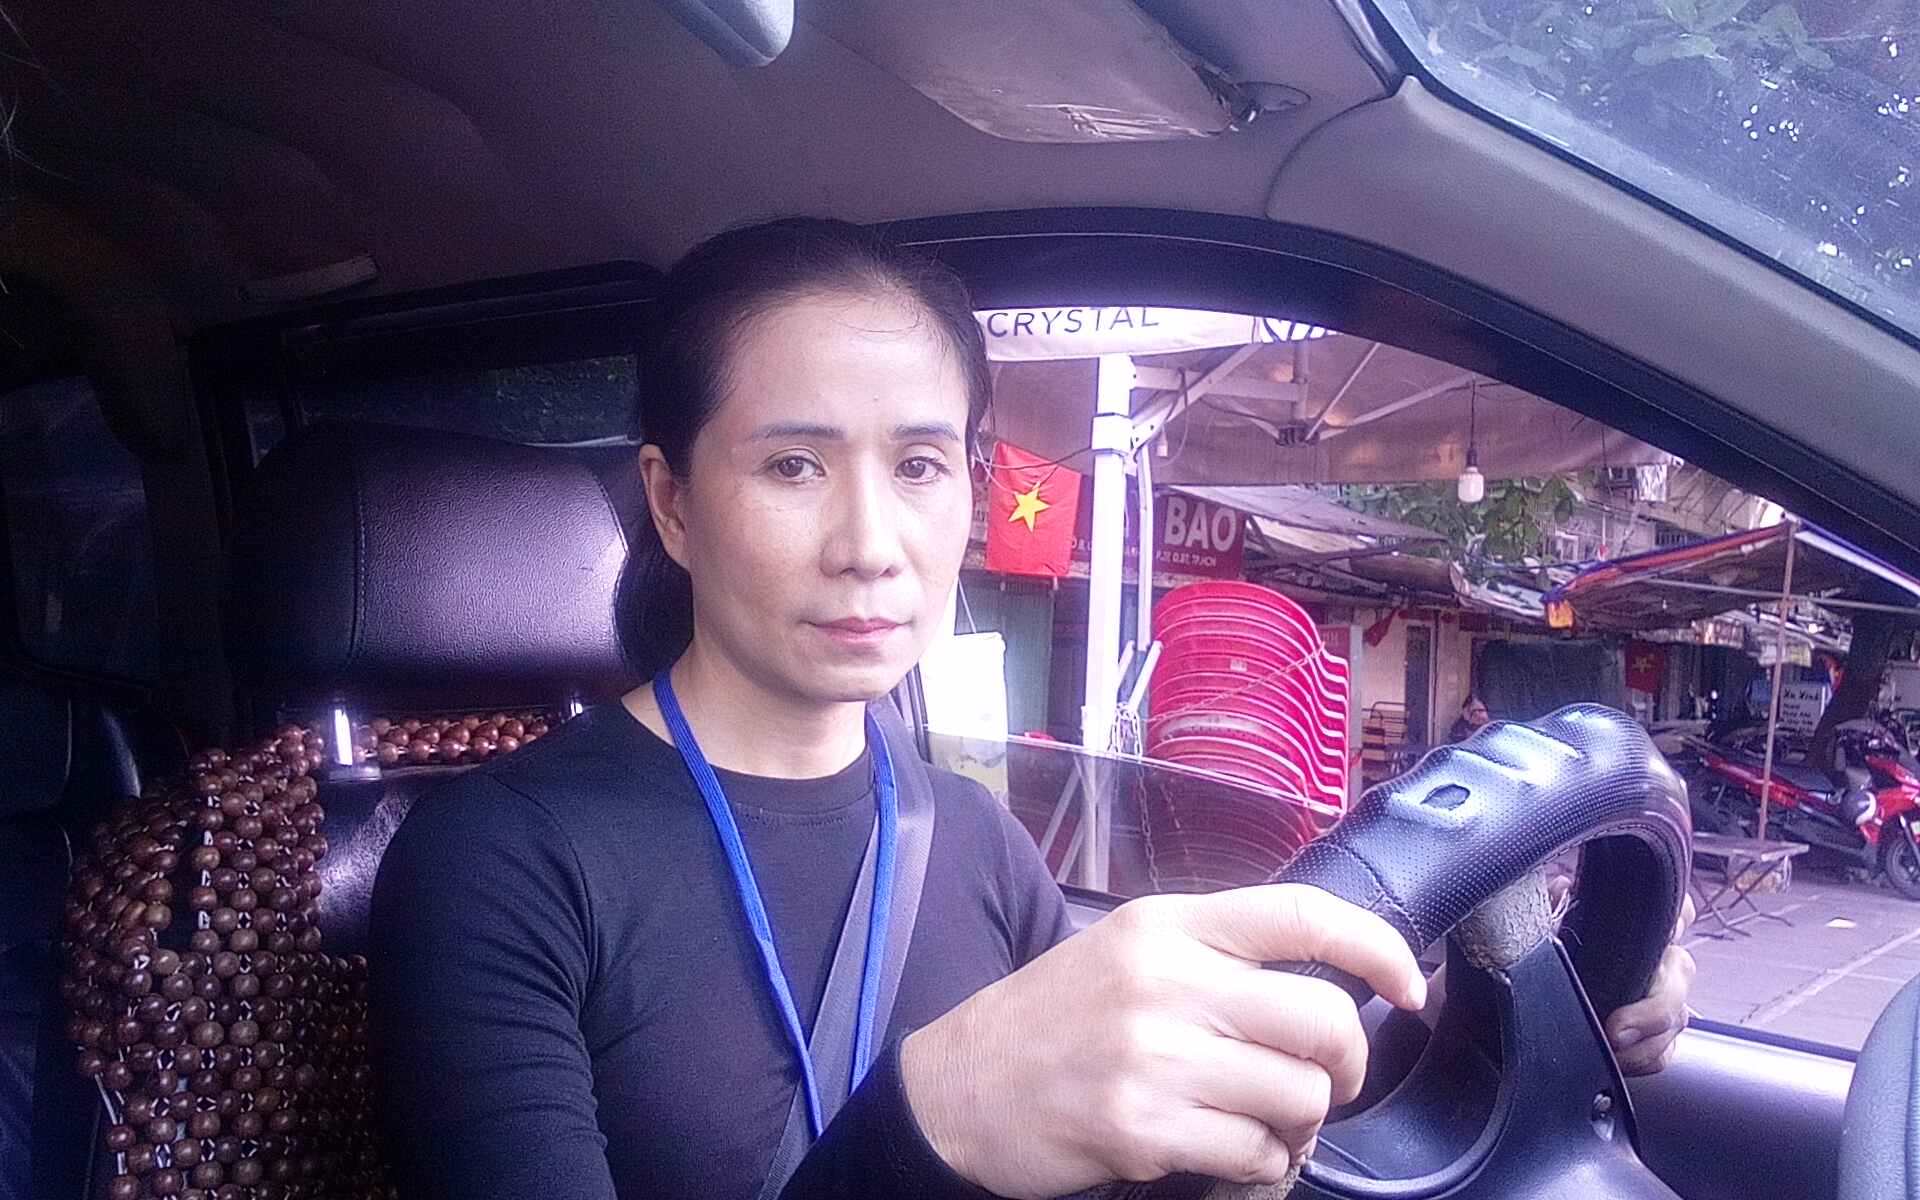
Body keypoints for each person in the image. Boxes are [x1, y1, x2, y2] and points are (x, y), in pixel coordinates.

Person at [368, 218, 1695, 1200]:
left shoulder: (971, 837)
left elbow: (1150, 1123)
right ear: (671, 503)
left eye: (919, 464)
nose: (871, 545)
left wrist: (1520, 1012)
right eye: (792, 466)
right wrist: (934, 1124)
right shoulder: (496, 864)